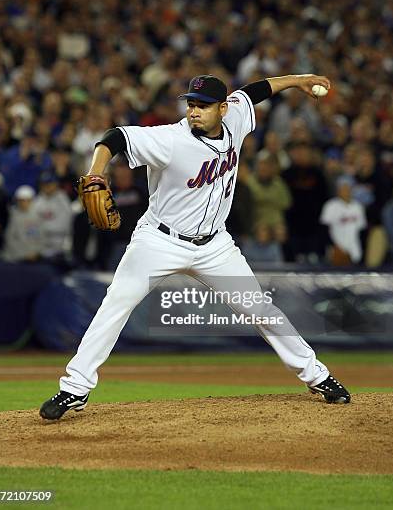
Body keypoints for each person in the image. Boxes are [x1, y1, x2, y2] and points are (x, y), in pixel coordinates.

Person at [40, 73, 350, 420]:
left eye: (203, 105)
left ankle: (317, 375)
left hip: (215, 245)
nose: (195, 111)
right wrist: (98, 172)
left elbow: (256, 90)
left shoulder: (235, 116)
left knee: (258, 307)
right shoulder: (169, 139)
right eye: (191, 104)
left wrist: (299, 80)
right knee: (116, 302)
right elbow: (114, 138)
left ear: (222, 108)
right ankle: (74, 389)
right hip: (159, 240)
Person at [320, 175, 366, 266]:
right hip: (336, 250)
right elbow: (323, 229)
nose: (345, 191)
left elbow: (362, 230)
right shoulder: (330, 206)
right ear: (338, 190)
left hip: (355, 250)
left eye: (347, 188)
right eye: (342, 188)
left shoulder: (358, 206)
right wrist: (334, 247)